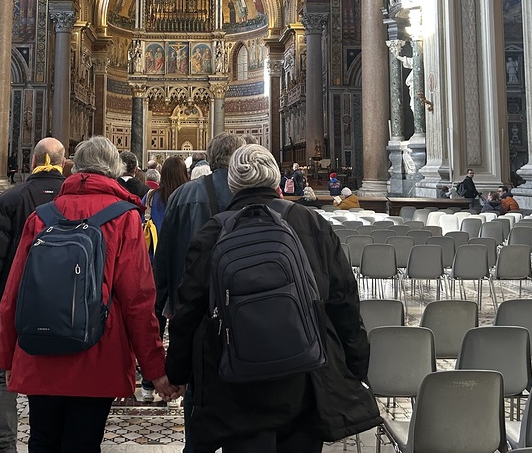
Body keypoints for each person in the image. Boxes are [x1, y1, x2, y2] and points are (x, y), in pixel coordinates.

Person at [166, 144, 380, 452]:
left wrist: (177, 370)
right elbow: (344, 301)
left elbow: (188, 310)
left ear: (233, 183)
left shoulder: (213, 231)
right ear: (276, 179)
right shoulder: (311, 223)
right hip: (306, 376)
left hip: (235, 383)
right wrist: (355, 365)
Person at [0, 136, 178, 452]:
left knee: (41, 440)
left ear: (74, 167)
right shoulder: (124, 217)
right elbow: (137, 301)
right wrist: (155, 370)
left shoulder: (41, 216)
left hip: (40, 350)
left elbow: (13, 294)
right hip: (97, 355)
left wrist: (7, 356)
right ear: (113, 170)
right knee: (83, 443)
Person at [153, 131, 246, 452]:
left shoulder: (182, 195)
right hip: (244, 312)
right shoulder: (251, 194)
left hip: (193, 311)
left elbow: (163, 256)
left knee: (198, 392)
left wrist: (164, 304)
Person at [0, 137, 67, 453]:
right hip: (60, 304)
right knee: (56, 374)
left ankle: (4, 444)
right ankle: (51, 441)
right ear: (63, 163)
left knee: (4, 376)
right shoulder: (72, 198)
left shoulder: (10, 198)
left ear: (33, 162)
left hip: (12, 300)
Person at [140, 155, 191, 401]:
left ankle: (148, 384)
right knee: (183, 326)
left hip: (154, 266)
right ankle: (181, 380)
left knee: (155, 326)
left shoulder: (151, 197)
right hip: (182, 267)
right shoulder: (190, 196)